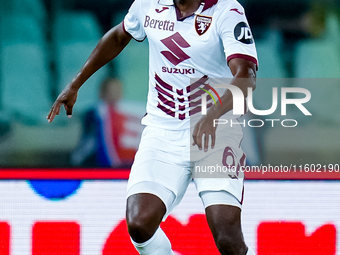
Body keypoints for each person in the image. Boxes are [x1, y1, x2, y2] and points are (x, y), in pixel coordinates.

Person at [47, 0, 258, 254]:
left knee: (227, 238)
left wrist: (213, 115)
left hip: (216, 132)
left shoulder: (227, 10)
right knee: (139, 223)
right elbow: (118, 36)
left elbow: (246, 77)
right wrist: (76, 83)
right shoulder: (147, 3)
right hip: (162, 131)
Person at [70, 77, 140, 168]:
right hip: (93, 162)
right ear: (103, 92)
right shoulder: (94, 114)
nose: (116, 94)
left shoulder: (124, 114)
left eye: (118, 90)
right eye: (112, 90)